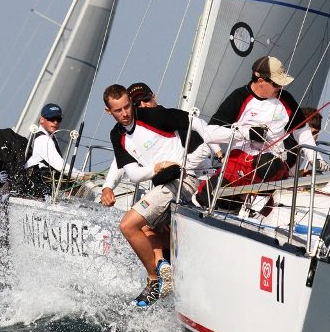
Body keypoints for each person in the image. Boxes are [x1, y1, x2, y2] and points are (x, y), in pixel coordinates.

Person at [104, 83, 220, 308]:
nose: (127, 112)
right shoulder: (120, 133)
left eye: (130, 106)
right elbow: (129, 170)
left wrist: (215, 149)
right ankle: (165, 270)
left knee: (129, 225)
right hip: (164, 186)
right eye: (120, 110)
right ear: (109, 112)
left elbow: (196, 124)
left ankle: (155, 280)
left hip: (185, 181)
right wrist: (109, 186)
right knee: (145, 228)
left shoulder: (157, 117)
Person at [208, 55, 316, 186]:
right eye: (276, 84)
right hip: (241, 160)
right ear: (260, 81)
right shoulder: (239, 97)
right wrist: (248, 133)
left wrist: (314, 158)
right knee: (214, 189)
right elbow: (210, 133)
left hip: (272, 164)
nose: (280, 87)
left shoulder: (285, 99)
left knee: (269, 164)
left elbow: (302, 130)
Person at [23, 102, 85, 197]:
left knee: (77, 186)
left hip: (46, 179)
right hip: (37, 182)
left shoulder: (51, 137)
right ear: (42, 120)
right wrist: (80, 176)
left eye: (58, 119)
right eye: (51, 119)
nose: (55, 122)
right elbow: (59, 164)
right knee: (79, 186)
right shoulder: (42, 139)